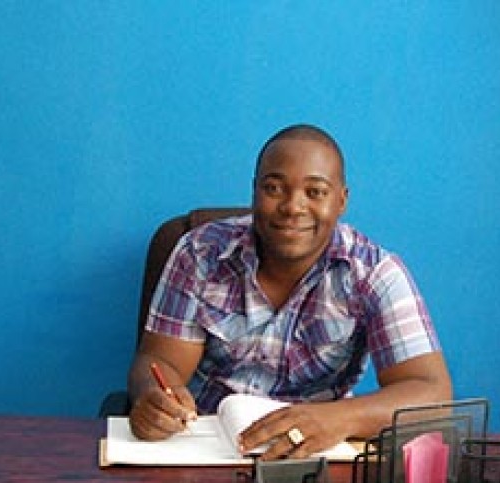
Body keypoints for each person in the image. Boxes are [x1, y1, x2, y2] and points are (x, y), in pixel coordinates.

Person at [128, 124, 452, 459]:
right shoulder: (200, 254)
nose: (293, 207)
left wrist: (340, 418)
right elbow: (160, 360)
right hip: (206, 448)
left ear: (341, 201)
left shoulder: (373, 273)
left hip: (316, 455)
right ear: (254, 192)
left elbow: (434, 394)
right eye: (274, 188)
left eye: (315, 192)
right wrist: (153, 397)